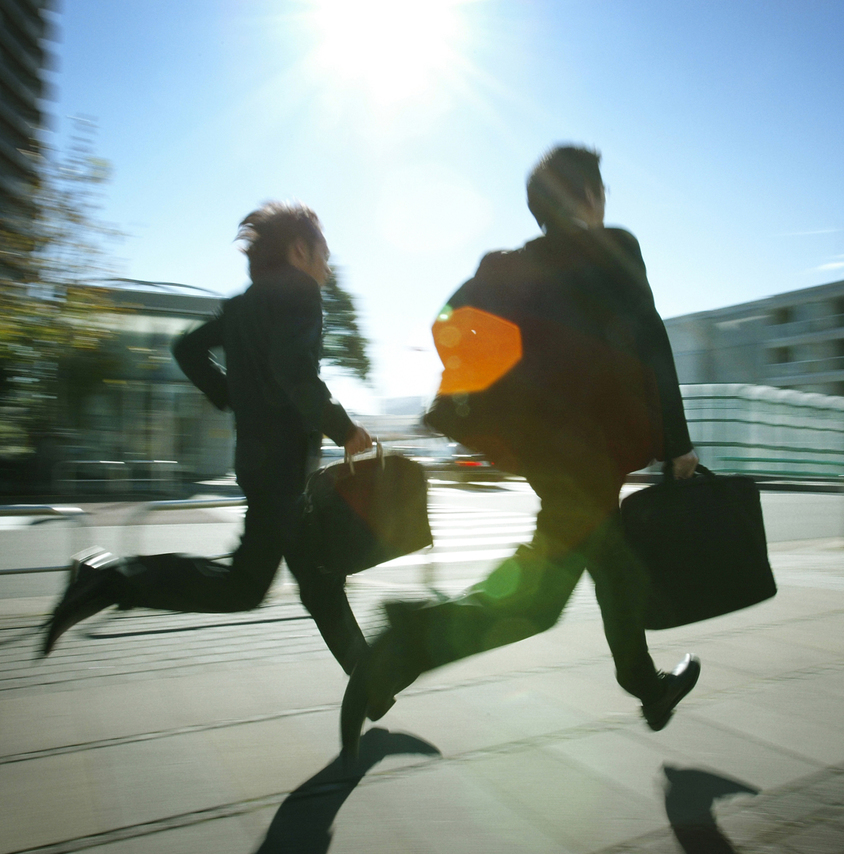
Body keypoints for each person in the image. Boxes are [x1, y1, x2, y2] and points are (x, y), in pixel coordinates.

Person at [341, 145, 700, 758]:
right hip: (588, 453)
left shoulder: (515, 269)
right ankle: (405, 645)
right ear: (588, 198)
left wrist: (513, 401)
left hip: (554, 452)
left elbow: (448, 321)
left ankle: (645, 685)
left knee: (614, 564)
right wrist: (679, 442)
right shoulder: (616, 249)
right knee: (536, 603)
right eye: (601, 191)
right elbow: (652, 339)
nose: (606, 201)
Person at [41, 202, 374, 674]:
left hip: (264, 465)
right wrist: (344, 428)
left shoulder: (245, 306)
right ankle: (110, 581)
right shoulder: (300, 294)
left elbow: (187, 348)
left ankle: (372, 679)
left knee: (316, 578)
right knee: (244, 587)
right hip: (282, 467)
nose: (327, 266)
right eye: (324, 254)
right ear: (300, 251)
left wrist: (231, 392)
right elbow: (294, 372)